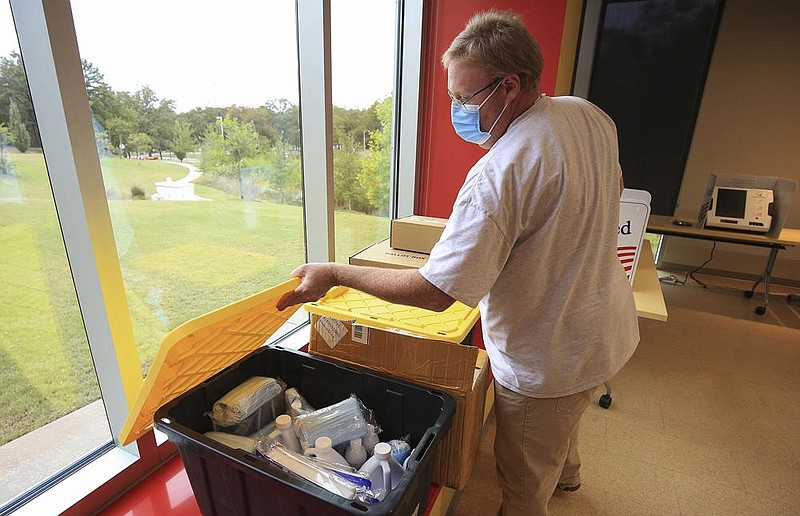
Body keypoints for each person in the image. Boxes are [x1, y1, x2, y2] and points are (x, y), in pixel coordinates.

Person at [277, 9, 639, 516]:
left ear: (509, 86)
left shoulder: (500, 170)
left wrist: (335, 273)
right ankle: (571, 479)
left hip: (549, 355)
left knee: (523, 476)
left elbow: (435, 293)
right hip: (604, 328)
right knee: (564, 424)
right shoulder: (586, 114)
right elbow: (613, 188)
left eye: (465, 98)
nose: (457, 110)